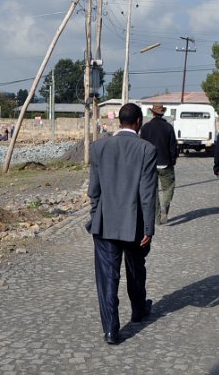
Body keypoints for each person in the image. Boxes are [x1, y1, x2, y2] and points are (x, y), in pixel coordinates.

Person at [86, 103, 158, 345]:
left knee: (107, 276)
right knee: (136, 267)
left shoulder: (99, 147)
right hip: (134, 221)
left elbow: (94, 189)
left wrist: (95, 215)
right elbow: (147, 192)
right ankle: (138, 309)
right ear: (138, 122)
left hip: (105, 222)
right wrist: (148, 227)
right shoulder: (146, 149)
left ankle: (110, 329)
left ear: (119, 121)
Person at [139, 103, 178, 225]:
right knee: (169, 187)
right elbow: (173, 146)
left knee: (153, 191)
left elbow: (142, 146)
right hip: (165, 163)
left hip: (150, 164)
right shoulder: (168, 127)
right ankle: (165, 206)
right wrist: (173, 160)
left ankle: (157, 218)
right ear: (162, 113)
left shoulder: (145, 128)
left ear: (152, 113)